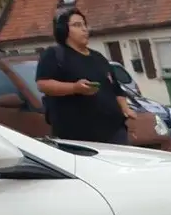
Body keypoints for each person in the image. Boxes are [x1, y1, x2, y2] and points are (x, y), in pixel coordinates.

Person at [35, 8, 136, 144]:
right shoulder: (55, 55)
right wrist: (74, 88)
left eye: (84, 25)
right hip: (78, 135)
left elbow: (116, 89)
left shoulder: (98, 57)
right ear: (63, 29)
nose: (84, 29)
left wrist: (125, 108)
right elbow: (43, 84)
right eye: (77, 25)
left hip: (114, 132)